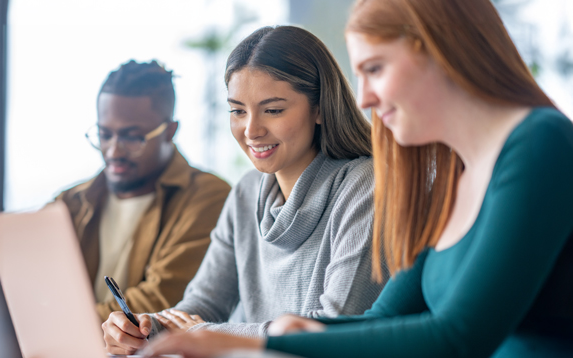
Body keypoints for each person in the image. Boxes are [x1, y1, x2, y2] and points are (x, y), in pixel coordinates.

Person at [135, 0, 573, 357]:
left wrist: (255, 341)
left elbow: (459, 336)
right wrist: (291, 331)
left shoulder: (540, 142)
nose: (362, 96)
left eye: (376, 69)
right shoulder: (454, 172)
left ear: (440, 51)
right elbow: (382, 317)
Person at [101, 26, 388, 355]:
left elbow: (332, 330)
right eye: (237, 110)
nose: (251, 130)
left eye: (273, 110)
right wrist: (146, 328)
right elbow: (203, 304)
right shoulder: (246, 192)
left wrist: (206, 333)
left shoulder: (368, 186)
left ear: (320, 107)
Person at [56, 60, 231, 322]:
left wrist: (61, 324)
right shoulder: (69, 202)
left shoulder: (208, 197)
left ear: (170, 131)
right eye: (105, 135)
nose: (114, 151)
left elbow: (161, 303)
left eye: (132, 137)